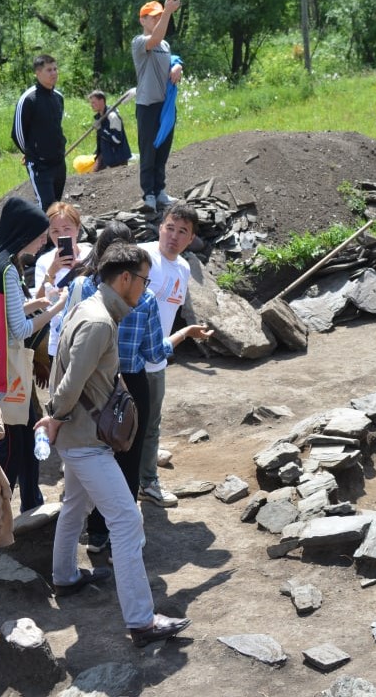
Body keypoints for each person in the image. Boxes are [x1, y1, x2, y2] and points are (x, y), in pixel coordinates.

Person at [36, 241, 191, 648]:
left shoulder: (91, 310)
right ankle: (141, 621)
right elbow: (69, 385)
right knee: (126, 522)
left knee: (74, 504)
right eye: (143, 279)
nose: (146, 287)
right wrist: (54, 418)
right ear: (125, 279)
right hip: (85, 439)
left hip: (80, 437)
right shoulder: (100, 321)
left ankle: (65, 577)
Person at [72, 221, 211, 551]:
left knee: (95, 455)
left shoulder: (86, 288)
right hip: (130, 386)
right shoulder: (144, 299)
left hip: (90, 383)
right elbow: (153, 352)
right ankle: (121, 532)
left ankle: (94, 531)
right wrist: (183, 334)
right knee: (127, 458)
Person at [0, 197, 67, 513]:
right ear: (25, 233)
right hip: (6, 375)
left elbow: (1, 317)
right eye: (41, 235)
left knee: (24, 437)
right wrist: (57, 309)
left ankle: (28, 501)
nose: (42, 242)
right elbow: (20, 331)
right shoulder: (8, 270)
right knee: (11, 445)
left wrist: (32, 305)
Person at [139, 203, 199, 508]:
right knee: (126, 421)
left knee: (151, 421)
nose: (173, 237)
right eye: (169, 228)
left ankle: (146, 469)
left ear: (190, 239)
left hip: (158, 357)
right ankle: (145, 478)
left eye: (182, 232)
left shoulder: (184, 268)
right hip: (132, 359)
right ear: (160, 227)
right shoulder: (144, 258)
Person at [133, 0, 184, 211]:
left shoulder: (166, 45)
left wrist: (178, 66)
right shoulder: (140, 42)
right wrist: (168, 13)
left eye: (158, 15)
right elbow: (154, 39)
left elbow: (171, 60)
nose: (156, 19)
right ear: (142, 20)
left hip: (165, 105)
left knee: (163, 149)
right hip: (147, 105)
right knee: (148, 151)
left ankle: (160, 190)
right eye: (152, 16)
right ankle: (149, 194)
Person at [33, 202, 93, 361]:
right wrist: (52, 271)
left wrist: (81, 269)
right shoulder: (44, 262)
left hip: (91, 335)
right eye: (55, 231)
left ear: (78, 228)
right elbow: (38, 303)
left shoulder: (91, 255)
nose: (61, 236)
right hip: (59, 339)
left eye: (67, 229)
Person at [14, 55, 67, 211]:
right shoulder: (28, 99)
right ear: (38, 73)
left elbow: (57, 125)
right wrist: (31, 152)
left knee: (57, 206)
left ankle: (57, 235)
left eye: (55, 69)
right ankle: (42, 235)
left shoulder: (58, 97)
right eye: (49, 70)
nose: (54, 73)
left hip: (58, 162)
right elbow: (17, 133)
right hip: (39, 165)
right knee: (47, 207)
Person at [88, 90, 131, 171]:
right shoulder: (99, 118)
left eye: (93, 102)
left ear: (101, 101)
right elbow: (103, 140)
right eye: (91, 103)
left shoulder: (112, 116)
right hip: (106, 157)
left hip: (117, 160)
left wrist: (101, 130)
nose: (91, 105)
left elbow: (117, 140)